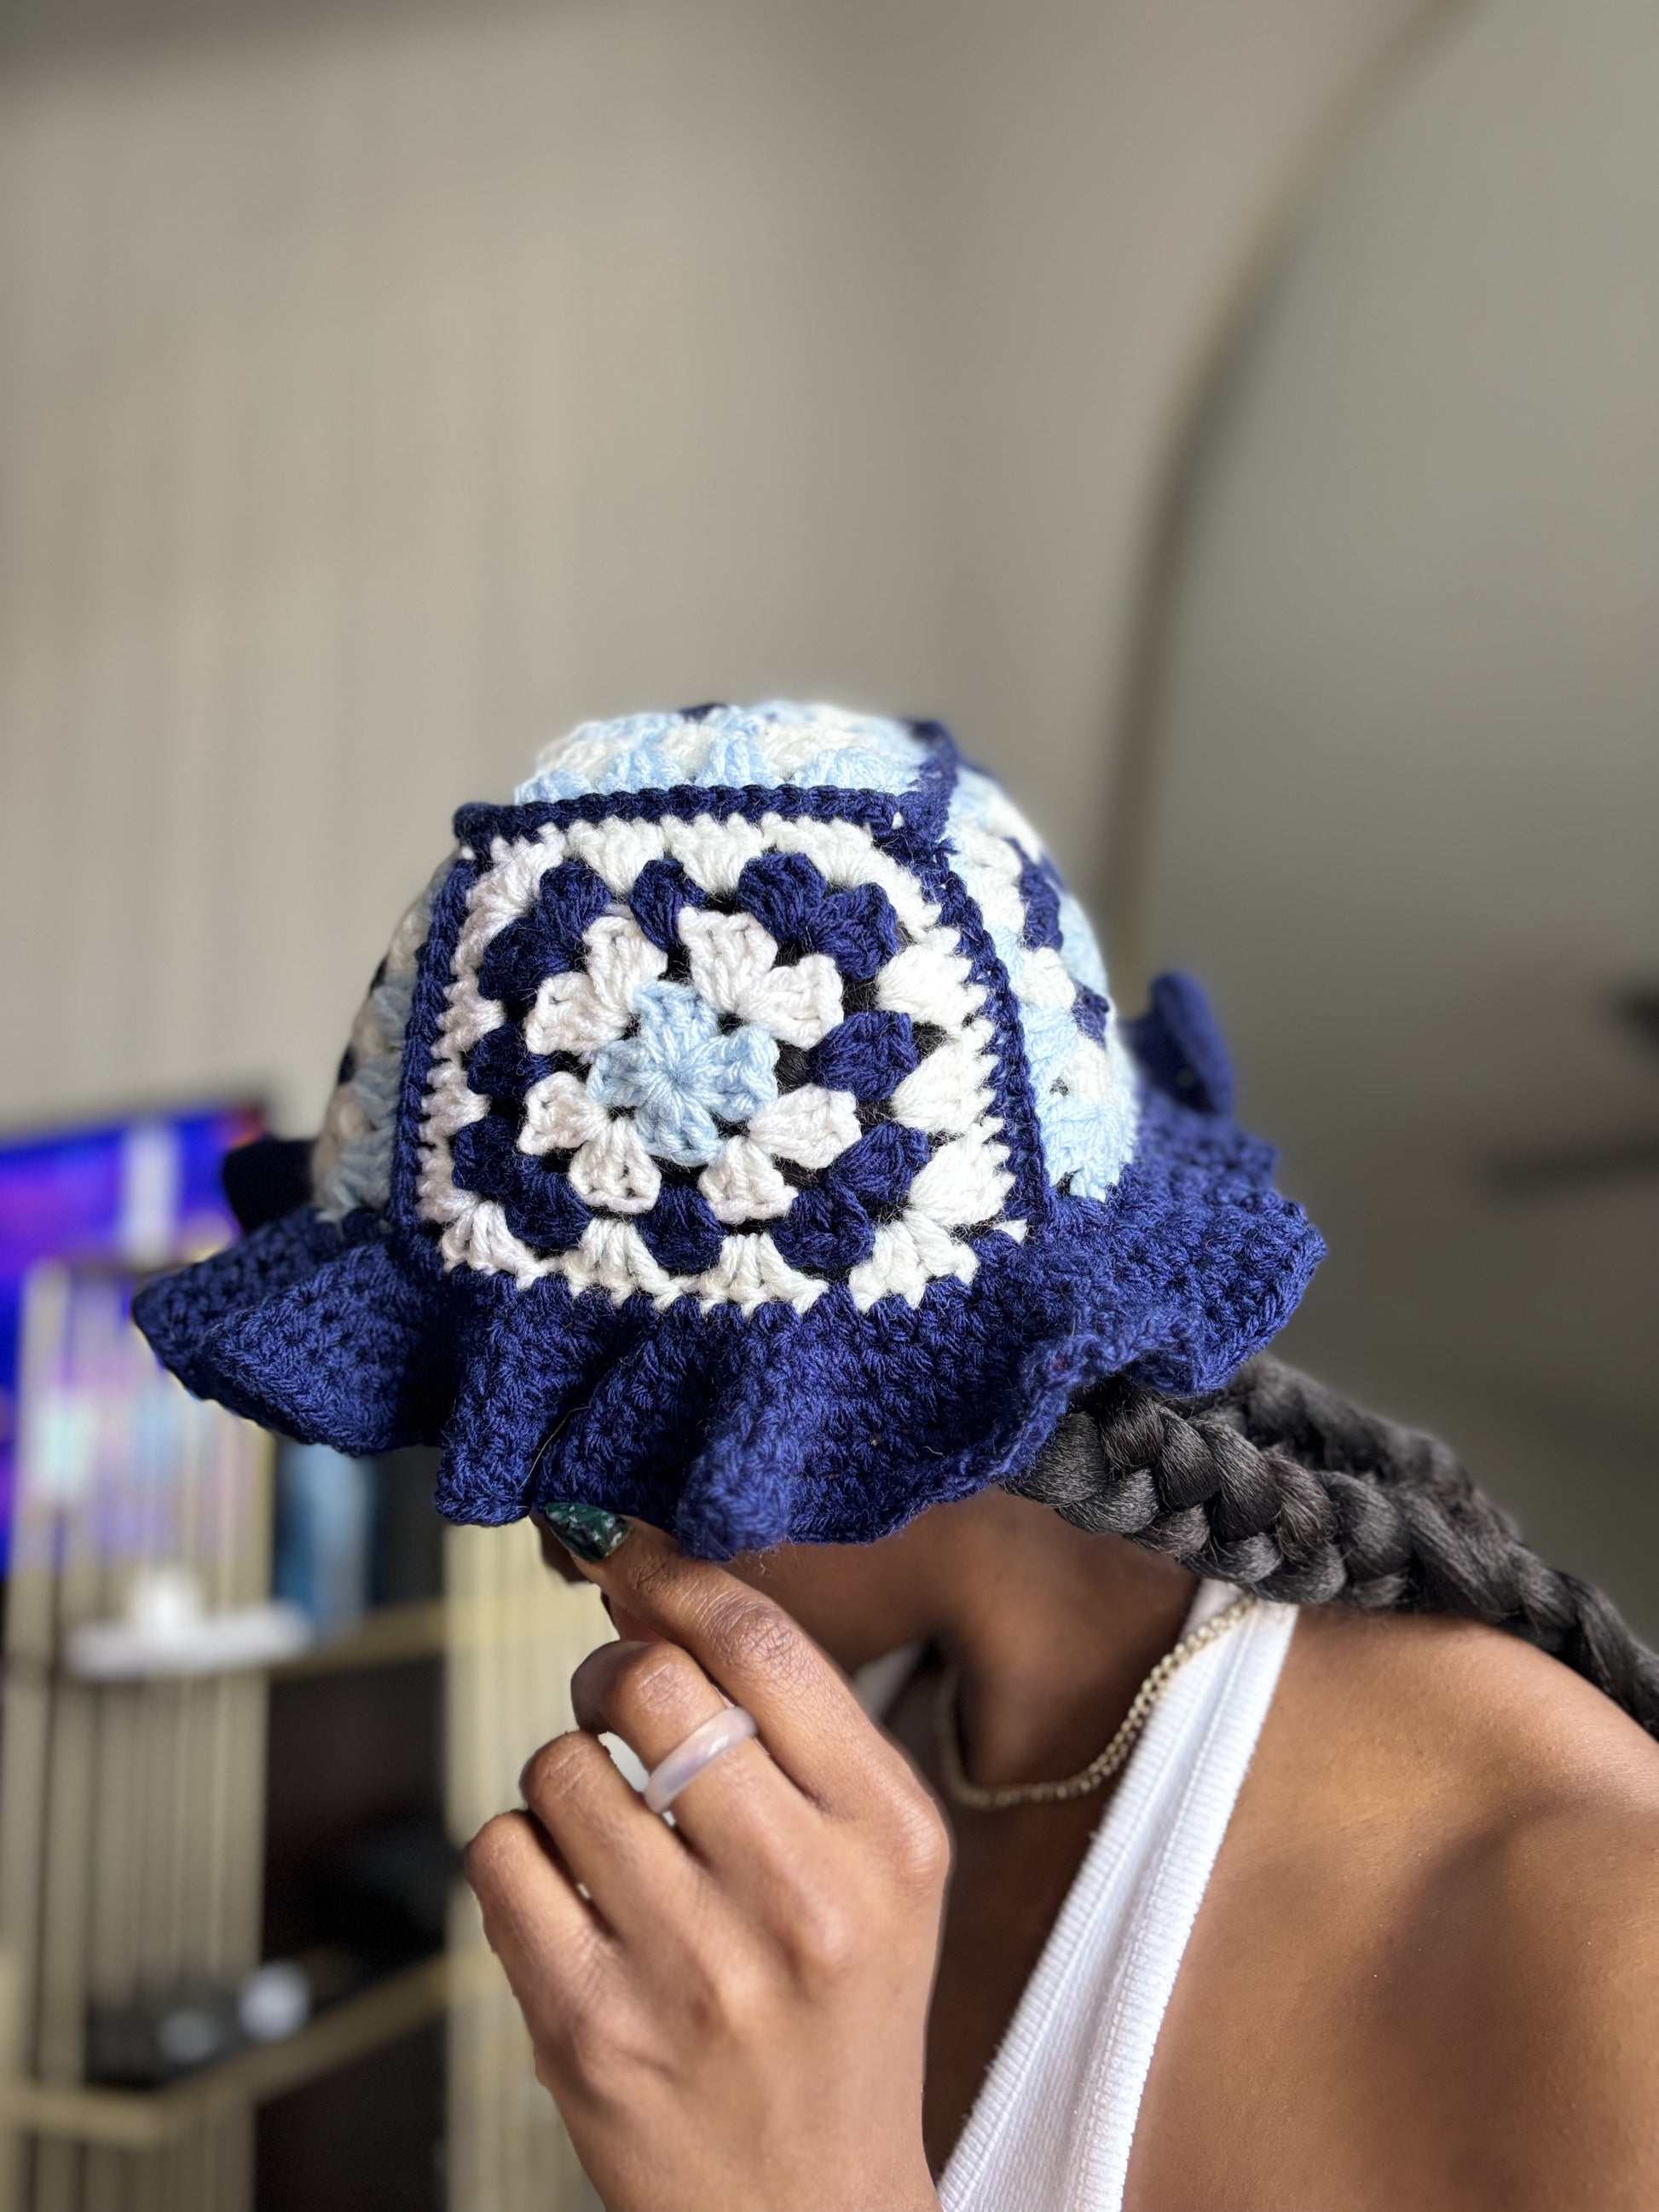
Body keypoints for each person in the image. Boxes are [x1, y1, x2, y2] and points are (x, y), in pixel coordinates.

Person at [137, 704, 1659, 2210]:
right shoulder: (879, 1735)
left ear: (841, 1390)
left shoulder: (1593, 1932)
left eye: (582, 1461)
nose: (547, 1542)